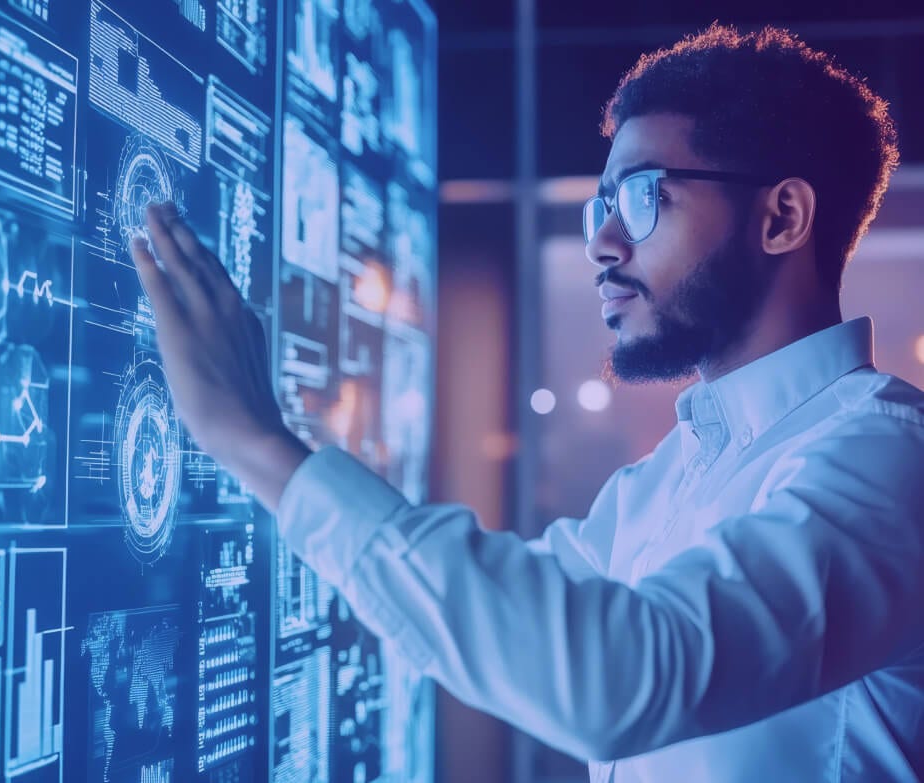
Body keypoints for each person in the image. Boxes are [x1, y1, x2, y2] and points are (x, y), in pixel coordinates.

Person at [128, 23, 924, 783]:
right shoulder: (668, 477)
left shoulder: (885, 455)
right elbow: (516, 623)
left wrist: (255, 441)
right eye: (600, 207)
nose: (603, 243)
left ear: (781, 217)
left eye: (643, 198)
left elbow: (618, 678)